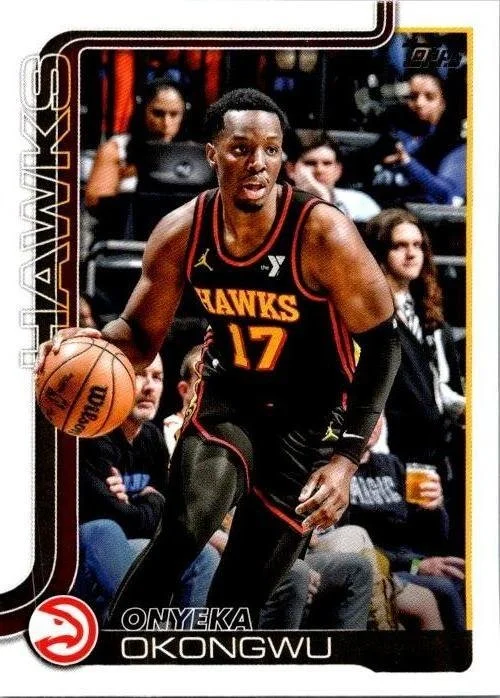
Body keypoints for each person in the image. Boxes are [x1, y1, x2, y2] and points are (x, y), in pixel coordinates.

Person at [37, 87, 400, 626]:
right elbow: (139, 334)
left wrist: (346, 460)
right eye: (241, 148)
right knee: (185, 529)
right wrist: (90, 344)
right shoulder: (182, 231)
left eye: (271, 150)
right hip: (228, 398)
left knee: (240, 598)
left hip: (310, 419)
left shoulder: (323, 232)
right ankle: (114, 653)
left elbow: (385, 343)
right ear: (212, 153)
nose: (258, 163)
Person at [75, 353, 219, 618]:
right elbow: (108, 515)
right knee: (103, 530)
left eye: (157, 377)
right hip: (88, 560)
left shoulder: (152, 437)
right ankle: (142, 625)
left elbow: (170, 515)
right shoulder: (92, 435)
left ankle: (186, 642)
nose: (149, 387)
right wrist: (150, 499)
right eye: (139, 375)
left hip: (137, 546)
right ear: (114, 380)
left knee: (205, 557)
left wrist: (138, 503)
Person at [340, 415, 465, 630]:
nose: (374, 423)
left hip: (415, 560)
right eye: (369, 414)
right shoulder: (339, 475)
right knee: (445, 588)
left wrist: (435, 509)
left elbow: (436, 537)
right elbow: (351, 544)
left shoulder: (393, 465)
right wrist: (416, 566)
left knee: (468, 579)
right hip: (382, 568)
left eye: (379, 416)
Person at [84, 78, 187, 210]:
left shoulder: (193, 153)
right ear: (143, 110)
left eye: (174, 114)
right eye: (158, 113)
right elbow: (96, 202)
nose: (166, 123)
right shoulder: (116, 149)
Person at [371, 71, 465, 206]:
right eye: (413, 97)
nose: (419, 103)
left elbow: (446, 195)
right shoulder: (396, 135)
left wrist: (408, 163)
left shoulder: (456, 146)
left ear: (443, 102)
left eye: (430, 97)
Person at [284, 132, 381, 222]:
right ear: (291, 169)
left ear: (338, 170)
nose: (320, 170)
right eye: (310, 163)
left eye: (327, 163)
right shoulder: (279, 204)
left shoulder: (360, 202)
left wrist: (323, 200)